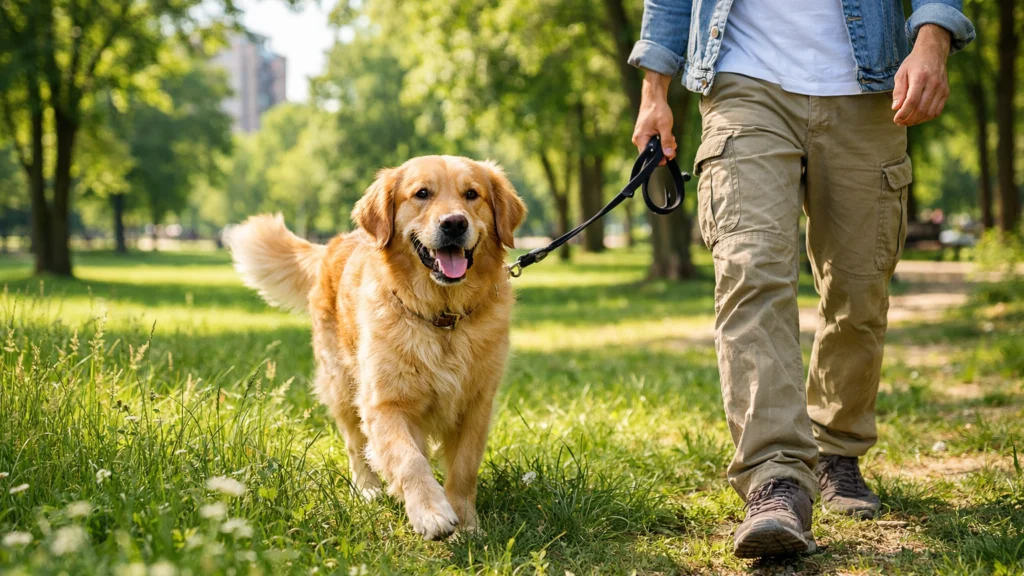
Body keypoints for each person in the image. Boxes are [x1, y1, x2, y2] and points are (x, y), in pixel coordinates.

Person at [628, 0, 974, 559]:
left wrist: (933, 38)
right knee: (750, 272)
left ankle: (837, 448)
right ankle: (776, 477)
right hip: (743, 81)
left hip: (872, 83)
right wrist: (654, 91)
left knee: (859, 286)